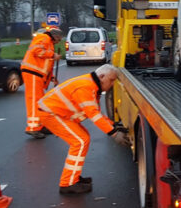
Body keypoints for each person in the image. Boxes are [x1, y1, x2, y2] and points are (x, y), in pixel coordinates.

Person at [37, 64, 131, 194]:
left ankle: (73, 177)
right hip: (51, 114)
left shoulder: (91, 86)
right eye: (111, 80)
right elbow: (93, 115)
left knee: (82, 139)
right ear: (101, 76)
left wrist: (113, 125)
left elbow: (96, 113)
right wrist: (114, 133)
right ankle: (68, 183)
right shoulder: (86, 87)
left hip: (56, 113)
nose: (112, 84)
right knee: (80, 141)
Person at [21, 28, 64, 139]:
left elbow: (45, 64)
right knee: (34, 100)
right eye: (59, 39)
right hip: (33, 72)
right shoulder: (44, 37)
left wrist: (51, 77)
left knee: (40, 101)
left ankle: (41, 125)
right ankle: (33, 128)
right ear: (55, 36)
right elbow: (37, 51)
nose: (58, 42)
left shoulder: (48, 42)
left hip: (36, 74)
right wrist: (53, 55)